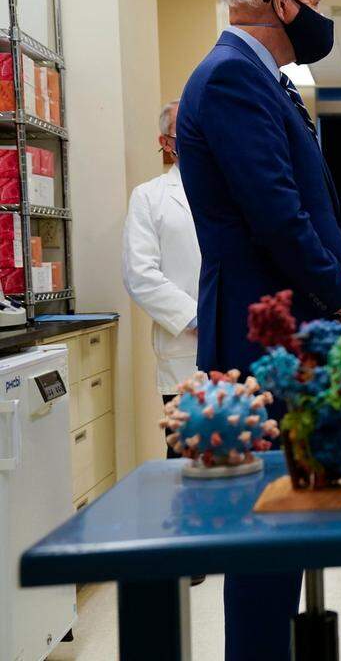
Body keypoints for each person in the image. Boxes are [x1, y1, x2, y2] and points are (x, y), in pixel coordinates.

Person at [176, 0, 341, 661]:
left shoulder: (266, 81)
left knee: (288, 524)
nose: (321, 16)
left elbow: (310, 203)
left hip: (287, 327)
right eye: (315, 0)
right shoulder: (231, 77)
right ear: (278, 0)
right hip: (259, 334)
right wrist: (340, 287)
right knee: (265, 532)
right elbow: (273, 211)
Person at [122, 100, 200, 460]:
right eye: (183, 132)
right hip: (185, 349)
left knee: (244, 456)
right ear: (166, 142)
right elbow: (140, 274)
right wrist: (196, 316)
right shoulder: (149, 197)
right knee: (187, 459)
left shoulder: (236, 189)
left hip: (238, 343)